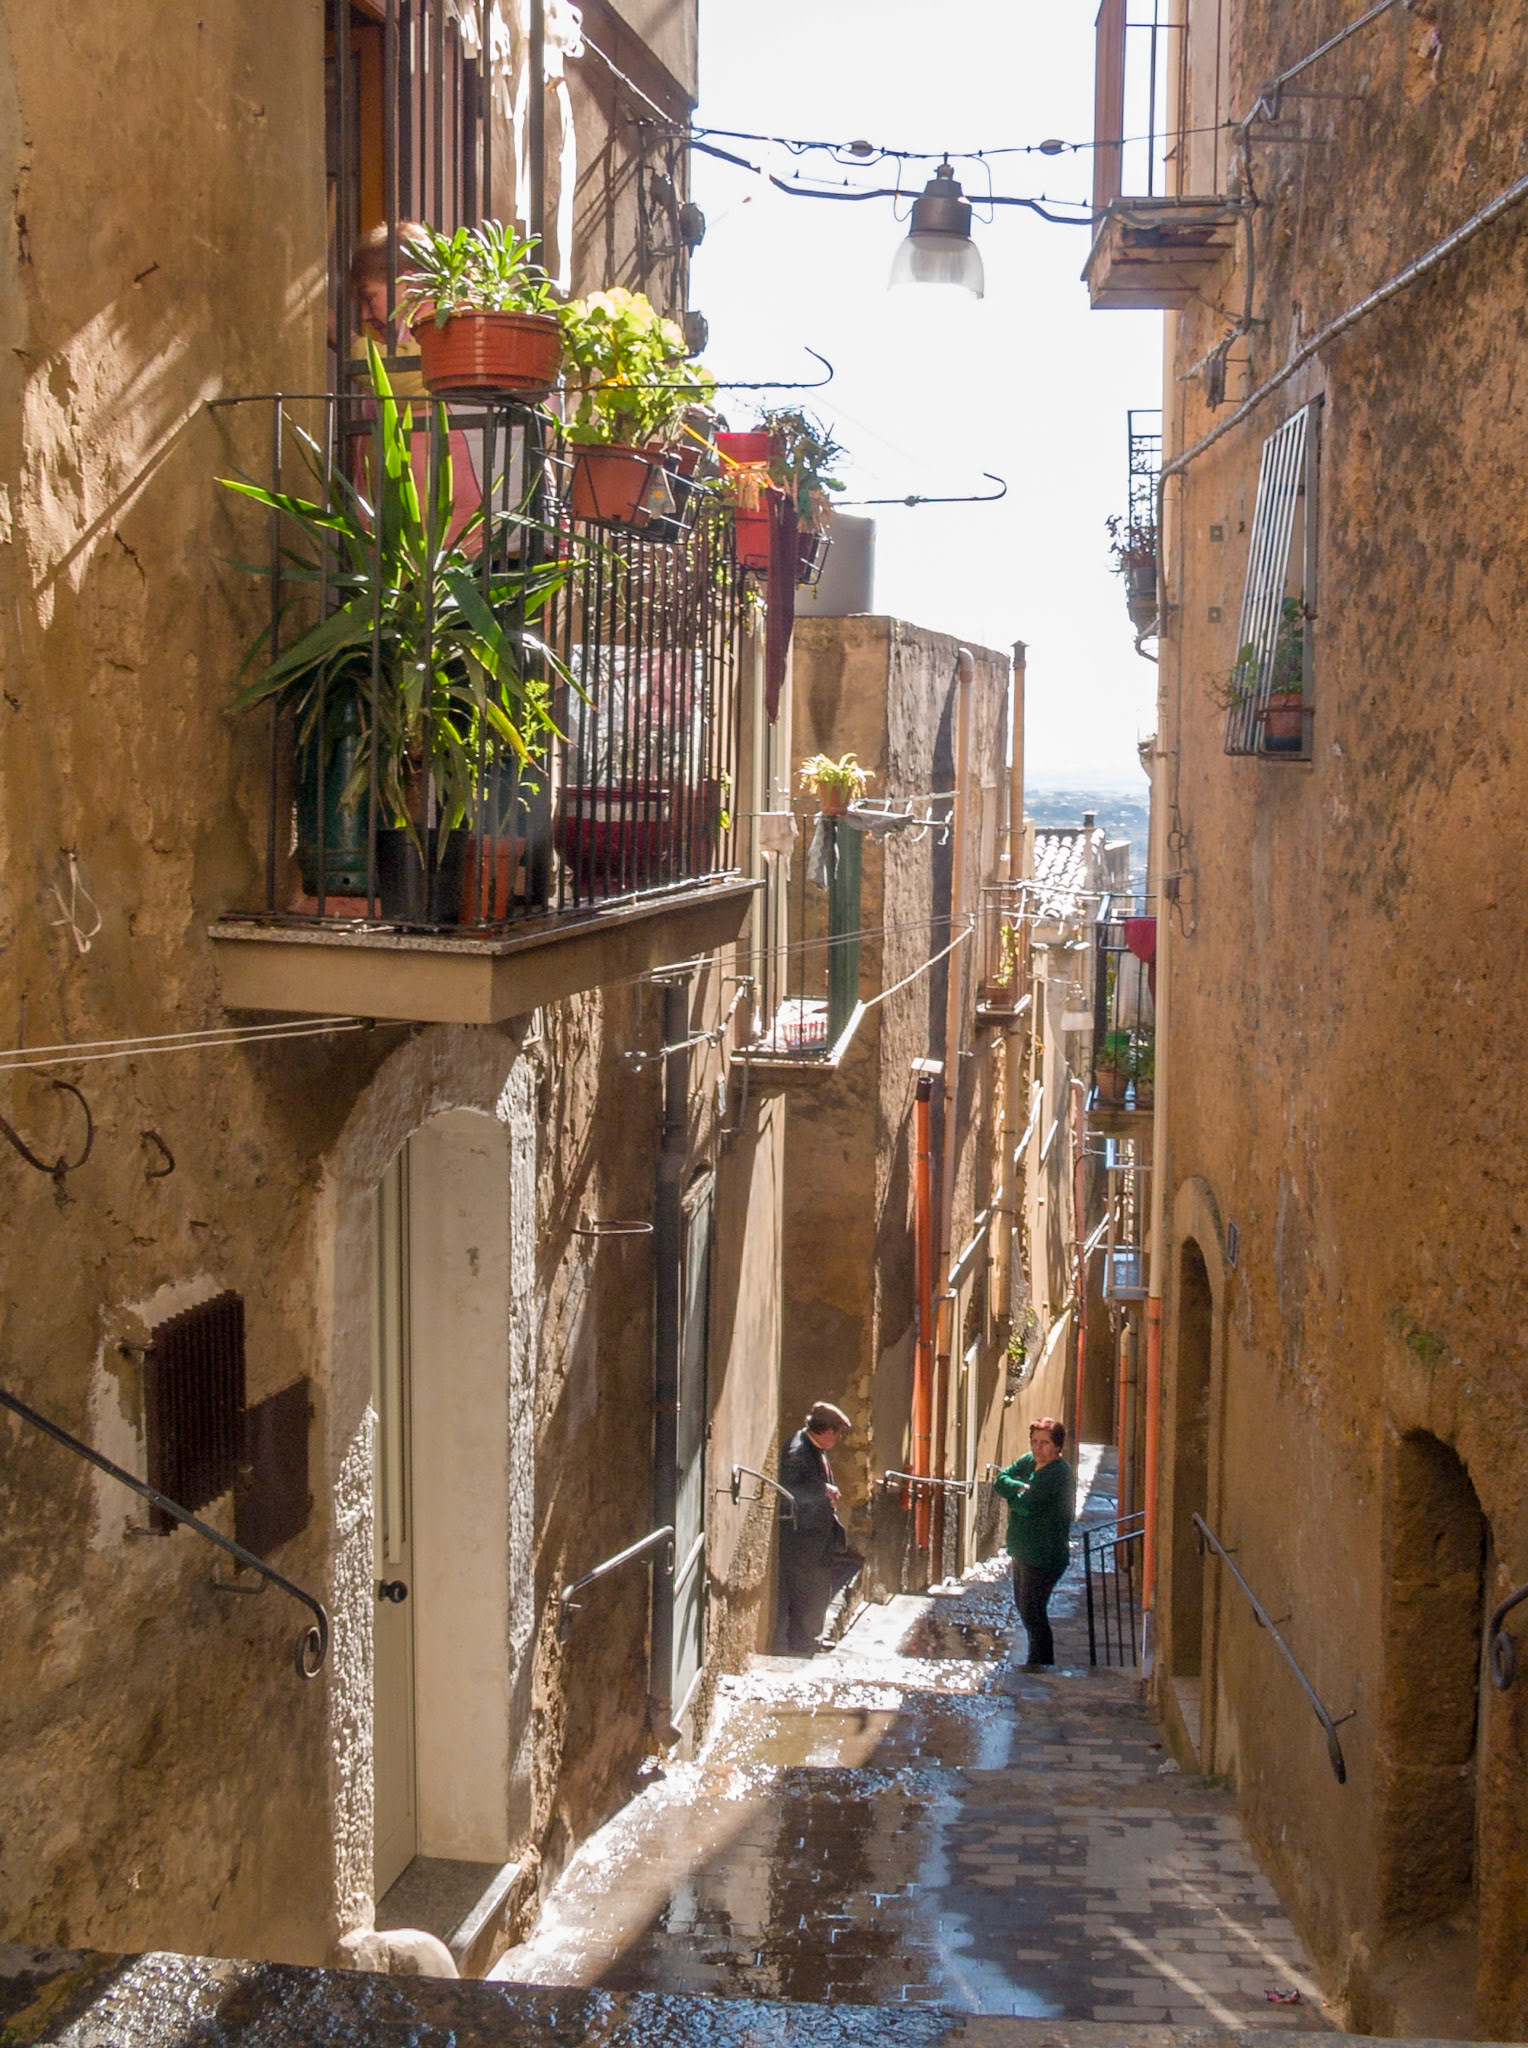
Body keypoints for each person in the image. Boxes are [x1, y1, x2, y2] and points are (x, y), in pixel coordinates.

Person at [775, 1401, 861, 1655]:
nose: (839, 1439)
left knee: (817, 1588)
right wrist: (823, 1491)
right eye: (838, 1434)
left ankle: (812, 1636)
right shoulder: (797, 1451)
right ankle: (801, 1642)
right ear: (827, 1432)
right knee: (805, 1590)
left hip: (817, 1537)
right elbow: (792, 1489)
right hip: (804, 1537)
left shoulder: (813, 1447)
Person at [992, 1417, 1076, 1669]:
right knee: (1023, 1606)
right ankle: (1036, 1659)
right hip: (1022, 1551)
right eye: (1034, 1442)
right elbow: (1000, 1479)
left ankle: (1041, 1661)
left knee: (1033, 1609)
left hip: (1045, 1555)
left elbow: (1028, 1506)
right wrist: (1019, 1487)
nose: (1038, 1448)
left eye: (1045, 1443)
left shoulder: (1059, 1474)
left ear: (1057, 1447)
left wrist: (1015, 1499)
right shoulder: (1029, 1462)